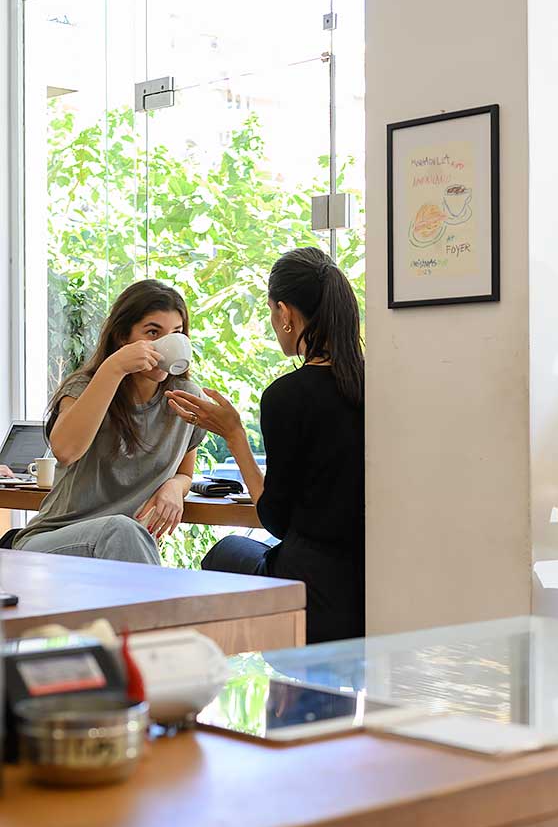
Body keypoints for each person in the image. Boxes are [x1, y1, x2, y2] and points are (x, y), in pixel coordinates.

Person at [166, 246, 364, 644]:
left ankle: (240, 683)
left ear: (286, 313)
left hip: (310, 585)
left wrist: (235, 435)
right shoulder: (374, 383)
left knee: (222, 554)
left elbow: (275, 518)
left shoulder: (287, 396)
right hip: (367, 584)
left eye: (273, 312)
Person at [12, 281, 203, 563]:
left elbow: (185, 473)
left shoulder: (186, 397)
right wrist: (114, 367)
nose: (166, 344)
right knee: (120, 528)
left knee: (124, 531)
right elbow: (65, 450)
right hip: (51, 543)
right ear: (122, 337)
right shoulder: (85, 387)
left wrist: (175, 487)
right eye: (153, 332)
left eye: (176, 333)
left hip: (121, 550)